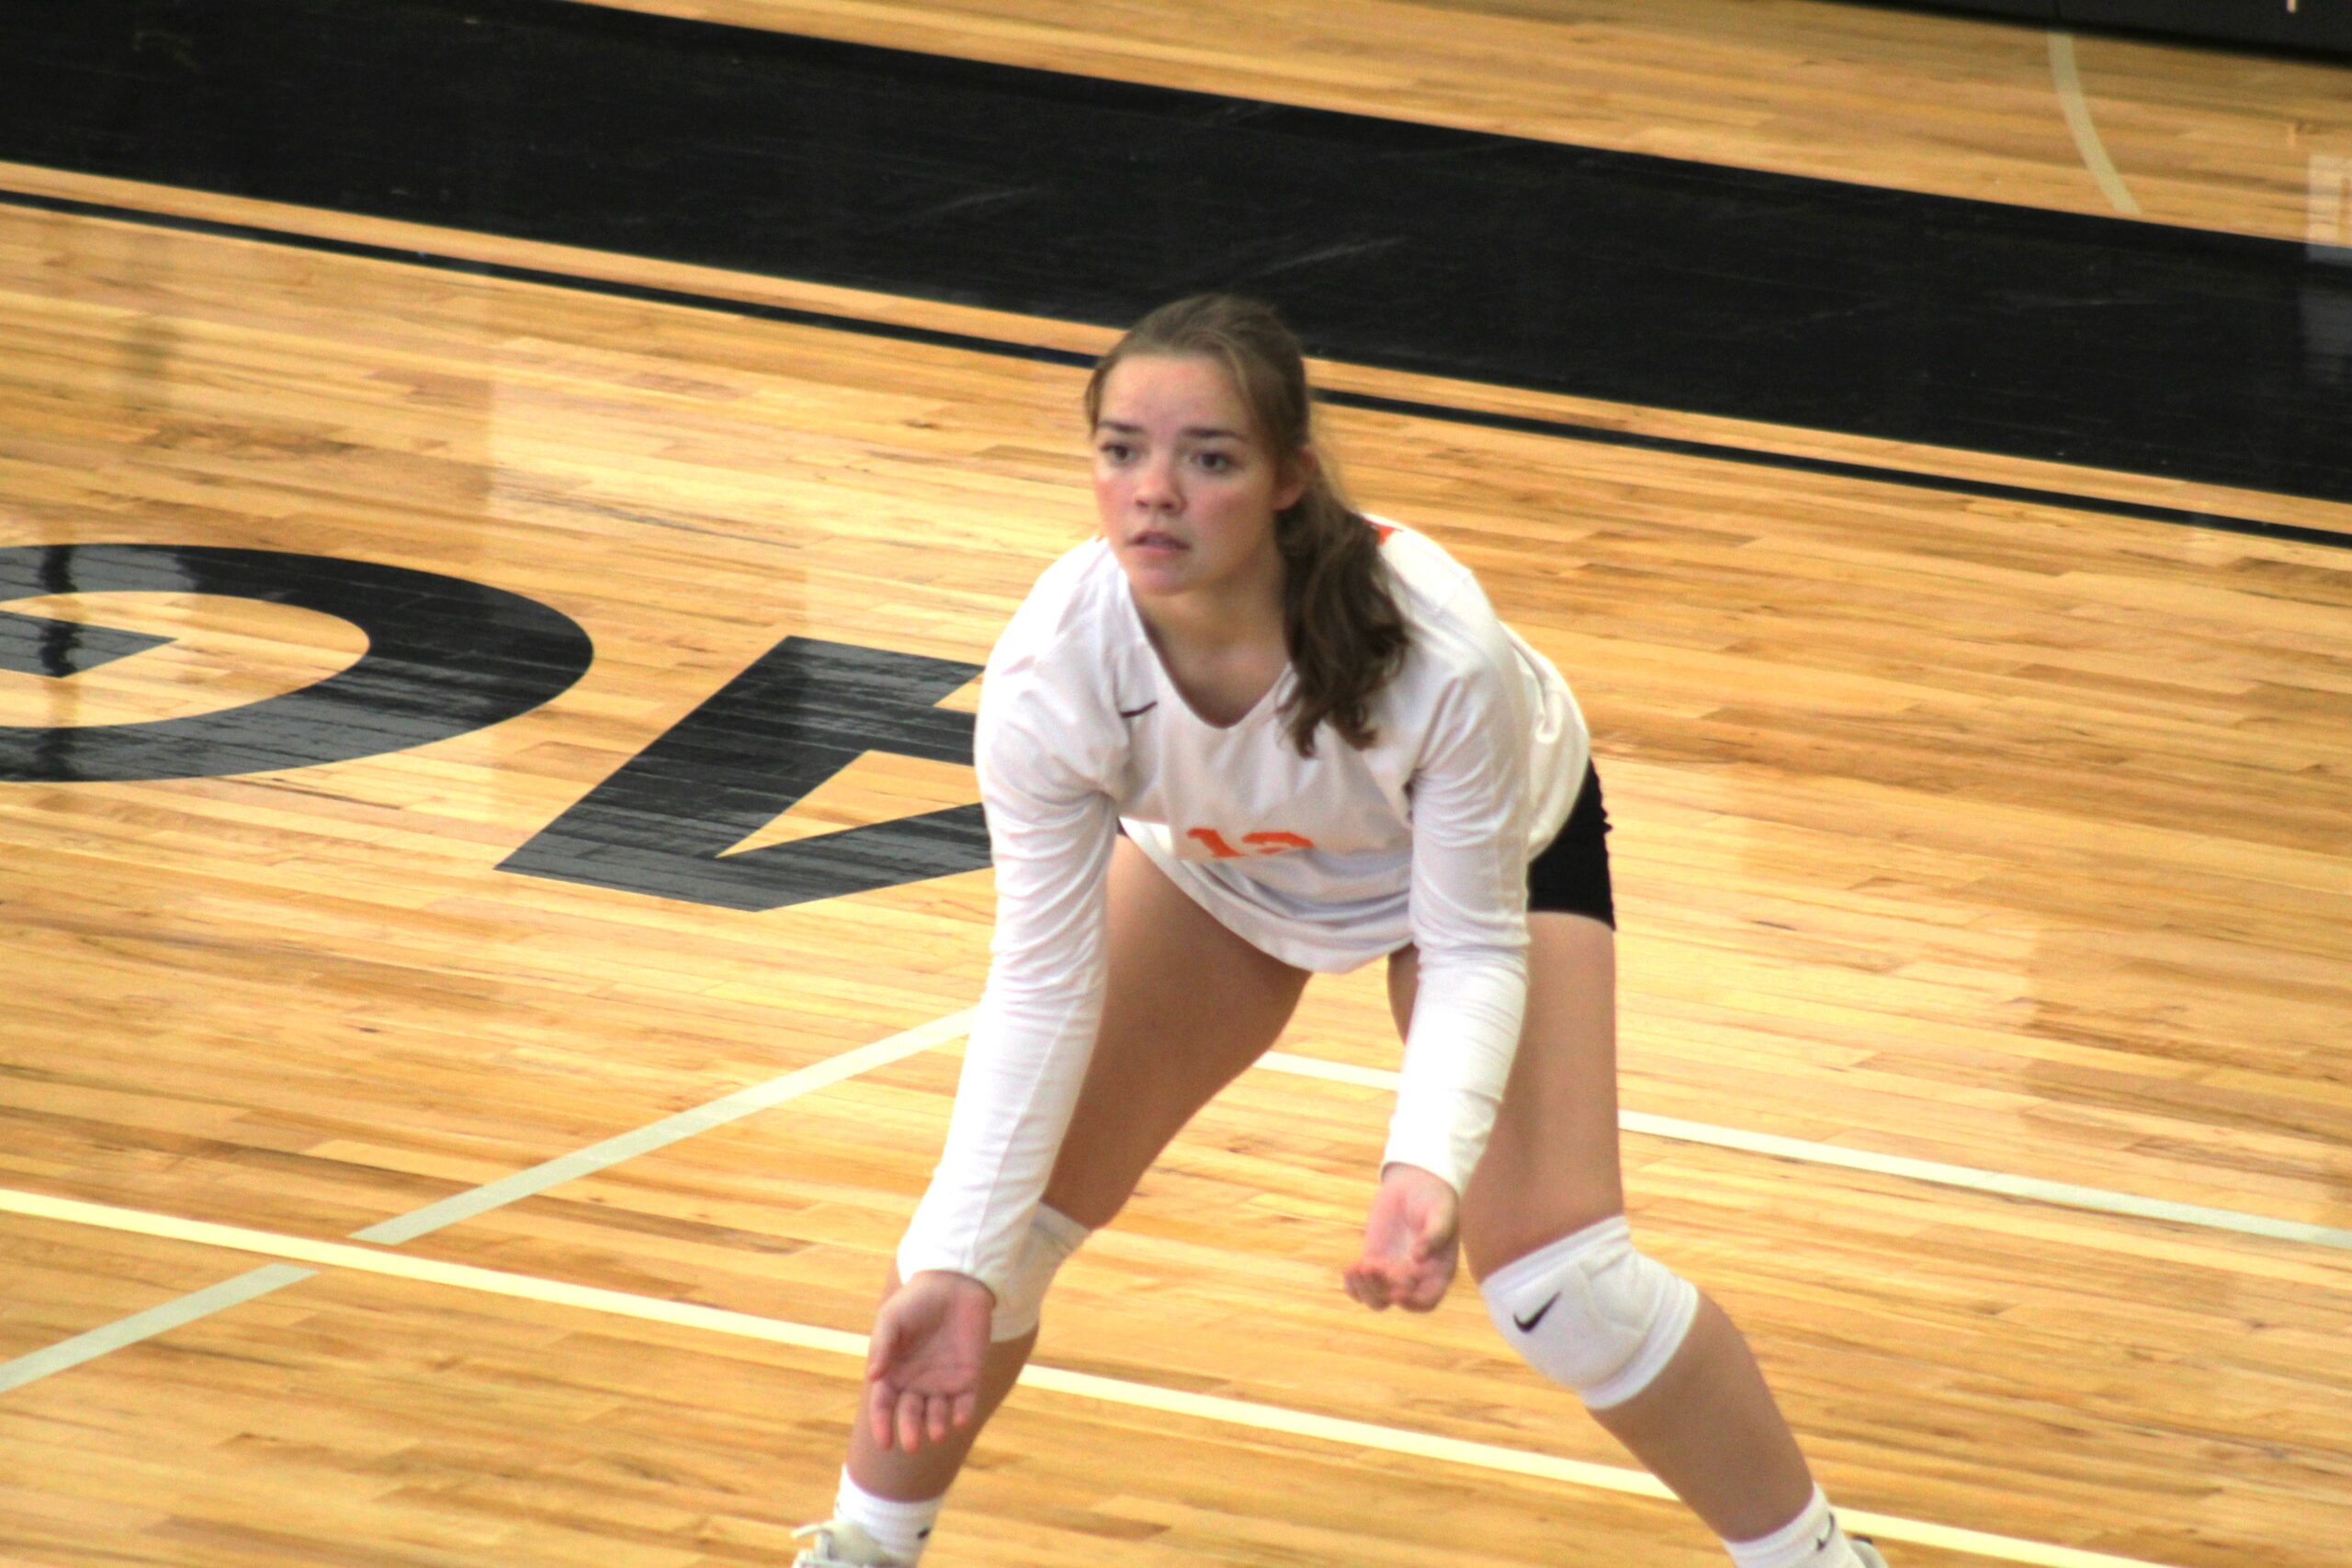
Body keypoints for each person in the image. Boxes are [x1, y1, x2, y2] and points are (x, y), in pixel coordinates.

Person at [792, 295, 1884, 1568]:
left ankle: (1818, 1561)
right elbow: (1041, 984)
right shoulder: (1051, 671)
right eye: (1121, 450)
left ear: (1289, 480)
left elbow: (1470, 946)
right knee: (987, 1241)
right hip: (1227, 868)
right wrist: (956, 1261)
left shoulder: (1436, 649)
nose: (1155, 492)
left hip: (1485, 858)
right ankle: (864, 1547)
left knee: (1564, 1290)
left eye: (1209, 458)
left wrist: (1423, 1164)